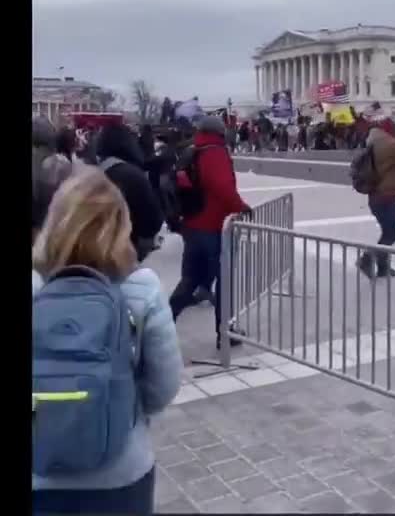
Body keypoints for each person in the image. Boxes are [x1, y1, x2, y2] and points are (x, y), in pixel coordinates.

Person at [32, 168, 182, 515]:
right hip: (121, 470)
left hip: (40, 470)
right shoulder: (141, 288)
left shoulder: (35, 287)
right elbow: (164, 386)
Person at [168, 116, 252, 349]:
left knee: (189, 280)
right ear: (220, 132)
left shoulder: (193, 150)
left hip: (192, 225)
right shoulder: (214, 152)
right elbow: (221, 186)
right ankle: (224, 333)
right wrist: (241, 207)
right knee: (224, 281)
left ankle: (161, 325)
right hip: (212, 227)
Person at [358, 103, 395, 279]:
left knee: (387, 232)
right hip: (384, 197)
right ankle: (366, 259)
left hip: (383, 195)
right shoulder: (384, 143)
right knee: (391, 233)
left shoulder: (377, 139)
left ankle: (383, 268)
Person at [96, 123, 163, 262]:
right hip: (127, 248)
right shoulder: (133, 176)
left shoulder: (90, 173)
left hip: (94, 249)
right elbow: (152, 219)